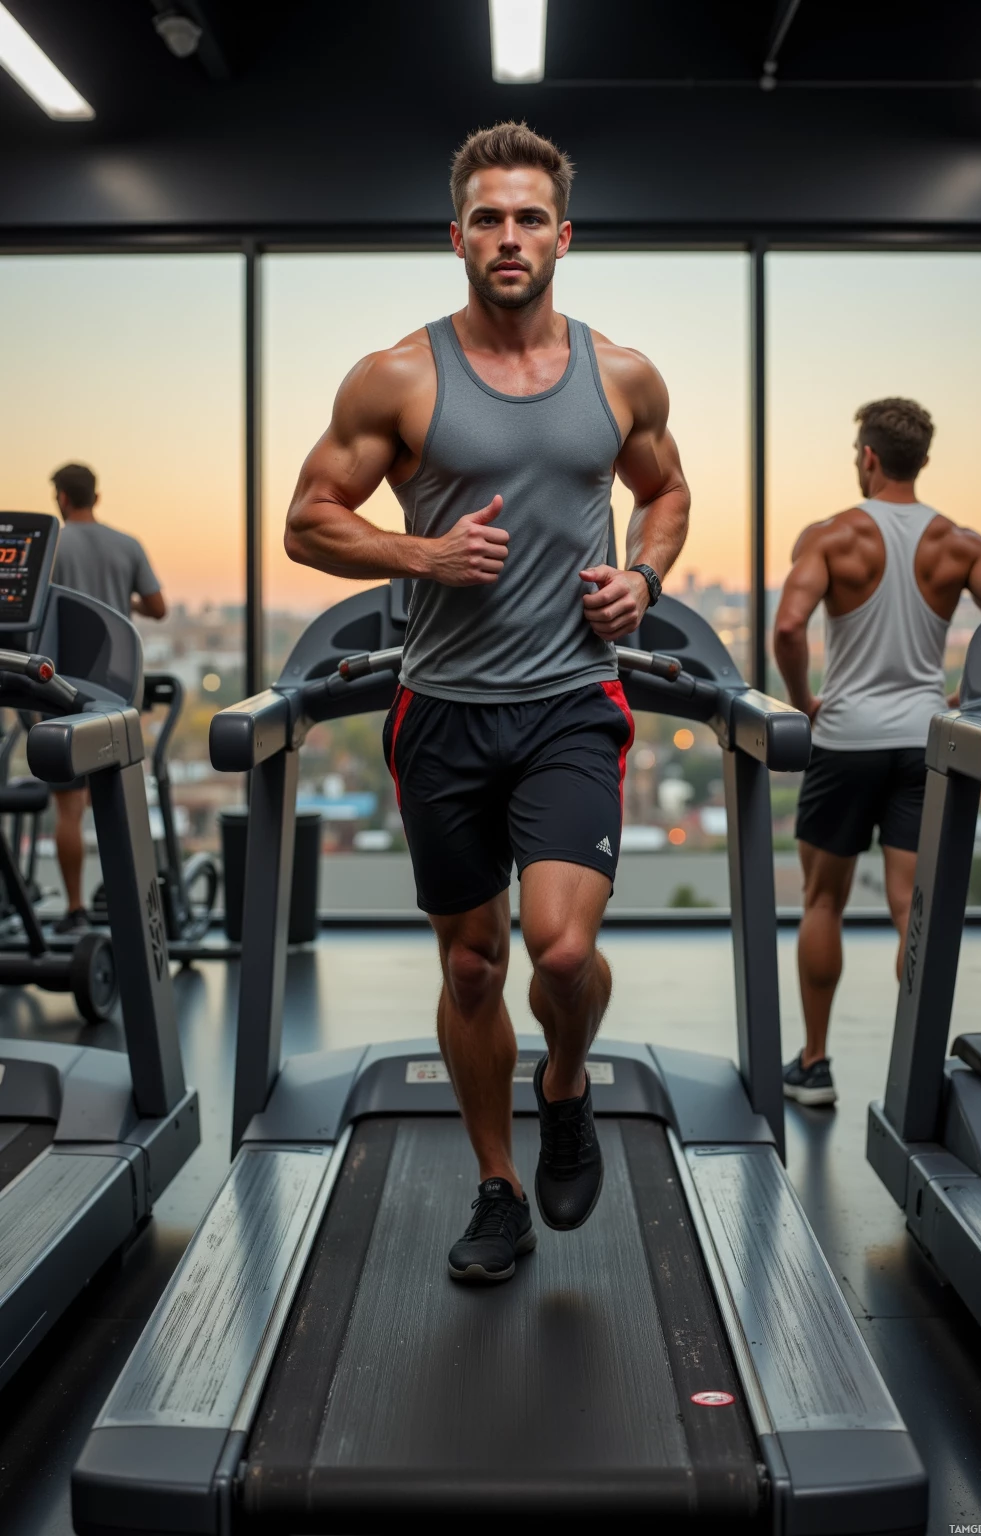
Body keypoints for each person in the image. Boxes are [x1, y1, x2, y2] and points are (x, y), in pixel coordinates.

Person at [284, 121, 690, 1281]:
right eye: (486, 218)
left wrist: (645, 575)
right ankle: (497, 1184)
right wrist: (421, 557)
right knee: (470, 967)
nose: (507, 237)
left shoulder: (620, 372)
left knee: (560, 955)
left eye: (527, 218)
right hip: (443, 709)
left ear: (563, 236)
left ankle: (564, 1085)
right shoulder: (398, 376)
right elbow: (309, 517)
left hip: (571, 698)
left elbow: (665, 492)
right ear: (453, 235)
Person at [773, 398, 981, 1107]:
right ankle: (918, 1073)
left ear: (869, 457)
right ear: (921, 460)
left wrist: (804, 701)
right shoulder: (959, 544)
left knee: (825, 898)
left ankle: (814, 1066)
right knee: (912, 907)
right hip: (923, 743)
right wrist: (966, 699)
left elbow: (789, 625)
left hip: (845, 739)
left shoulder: (831, 536)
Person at [48, 463, 167, 933]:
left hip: (62, 682)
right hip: (118, 680)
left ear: (61, 498)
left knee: (68, 807)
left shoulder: (52, 545)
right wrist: (120, 598)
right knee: (117, 795)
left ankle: (76, 909)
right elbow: (158, 607)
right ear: (94, 497)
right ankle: (132, 910)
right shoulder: (127, 544)